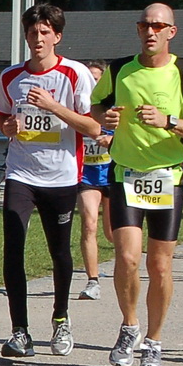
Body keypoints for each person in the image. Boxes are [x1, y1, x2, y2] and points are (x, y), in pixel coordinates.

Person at [92, 3, 183, 366]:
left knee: (159, 265)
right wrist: (106, 117)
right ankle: (130, 325)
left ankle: (155, 340)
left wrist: (170, 120)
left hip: (167, 177)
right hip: (126, 174)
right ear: (138, 29)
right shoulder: (119, 69)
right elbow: (96, 108)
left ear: (171, 32)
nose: (151, 32)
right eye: (145, 25)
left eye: (158, 26)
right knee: (127, 257)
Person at [0, 4, 101, 357]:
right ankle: (19, 331)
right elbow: (3, 121)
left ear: (57, 36)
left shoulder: (76, 74)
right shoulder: (10, 77)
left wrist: (53, 106)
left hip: (61, 176)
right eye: (31, 32)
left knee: (59, 251)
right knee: (13, 249)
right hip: (20, 173)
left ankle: (61, 320)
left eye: (44, 32)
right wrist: (8, 127)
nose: (37, 39)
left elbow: (93, 127)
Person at [75, 60, 113, 301]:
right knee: (89, 223)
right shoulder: (76, 109)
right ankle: (92, 280)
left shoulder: (112, 108)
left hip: (112, 172)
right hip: (86, 174)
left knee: (112, 233)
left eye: (96, 79)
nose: (92, 83)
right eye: (88, 78)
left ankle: (127, 265)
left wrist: (112, 140)